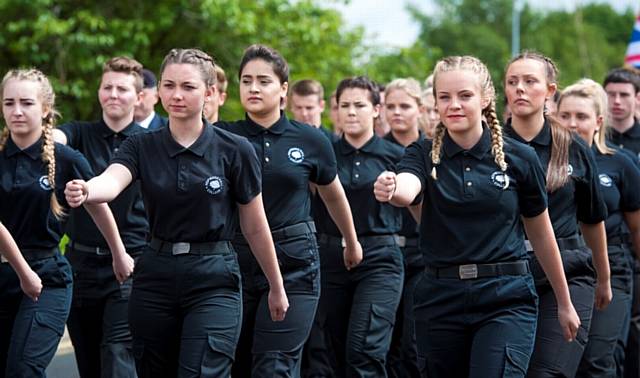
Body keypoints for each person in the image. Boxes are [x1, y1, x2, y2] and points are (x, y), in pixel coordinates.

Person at [64, 48, 289, 378]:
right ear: (157, 92)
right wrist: (87, 189)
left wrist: (276, 285)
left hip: (214, 277)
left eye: (188, 87)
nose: (177, 95)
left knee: (202, 371)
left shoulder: (234, 150)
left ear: (209, 92)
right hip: (155, 274)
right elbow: (111, 181)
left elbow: (255, 226)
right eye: (169, 85)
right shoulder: (141, 145)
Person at [374, 55, 580, 378]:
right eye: (445, 97)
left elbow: (541, 235)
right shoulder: (422, 153)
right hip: (440, 299)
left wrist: (565, 303)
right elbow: (407, 188)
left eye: (464, 96)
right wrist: (392, 186)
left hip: (505, 298)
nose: (454, 105)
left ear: (485, 99)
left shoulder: (520, 158)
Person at [215, 44, 361, 378]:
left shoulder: (311, 139)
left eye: (264, 81)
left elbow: (333, 195)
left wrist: (351, 241)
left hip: (295, 261)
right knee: (235, 366)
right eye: (247, 80)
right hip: (235, 261)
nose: (253, 88)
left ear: (282, 89)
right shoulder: (223, 137)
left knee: (275, 367)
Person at [0, 68, 131, 378]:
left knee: (23, 369)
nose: (17, 111)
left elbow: (97, 206)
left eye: (27, 103)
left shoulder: (66, 159)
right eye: (9, 103)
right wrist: (22, 272)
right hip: (9, 273)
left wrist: (118, 252)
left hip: (46, 278)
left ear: (45, 109)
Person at [503, 51, 611, 377]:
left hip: (569, 271)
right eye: (512, 82)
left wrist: (604, 279)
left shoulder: (573, 147)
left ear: (550, 91)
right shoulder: (488, 147)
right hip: (506, 274)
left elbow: (592, 220)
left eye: (530, 81)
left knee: (546, 372)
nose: (520, 88)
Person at [53, 56, 149, 378]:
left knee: (118, 355)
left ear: (138, 97)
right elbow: (54, 139)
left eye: (122, 89)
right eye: (107, 87)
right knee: (89, 361)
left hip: (129, 266)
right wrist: (47, 140)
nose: (113, 94)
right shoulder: (78, 134)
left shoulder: (149, 144)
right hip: (80, 265)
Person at [307, 75, 405, 377]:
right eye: (344, 105)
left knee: (365, 351)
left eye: (359, 105)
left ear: (377, 110)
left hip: (380, 259)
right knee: (327, 354)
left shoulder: (396, 156)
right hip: (330, 257)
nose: (351, 112)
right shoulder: (324, 153)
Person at [556, 78, 640, 377]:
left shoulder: (621, 163)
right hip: (561, 265)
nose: (572, 123)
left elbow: (636, 227)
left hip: (613, 266)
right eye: (565, 115)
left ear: (597, 122)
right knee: (563, 363)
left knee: (597, 360)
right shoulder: (541, 162)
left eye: (581, 116)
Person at [382, 77, 425, 377]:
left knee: (413, 342)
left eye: (405, 106)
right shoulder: (375, 150)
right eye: (391, 106)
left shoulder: (432, 150)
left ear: (420, 108)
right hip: (384, 256)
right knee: (384, 341)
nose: (397, 112)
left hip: (422, 256)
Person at [603, 67, 640, 378]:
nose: (616, 101)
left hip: (634, 246)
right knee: (611, 344)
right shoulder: (596, 141)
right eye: (610, 94)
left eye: (623, 95)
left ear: (636, 99)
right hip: (611, 250)